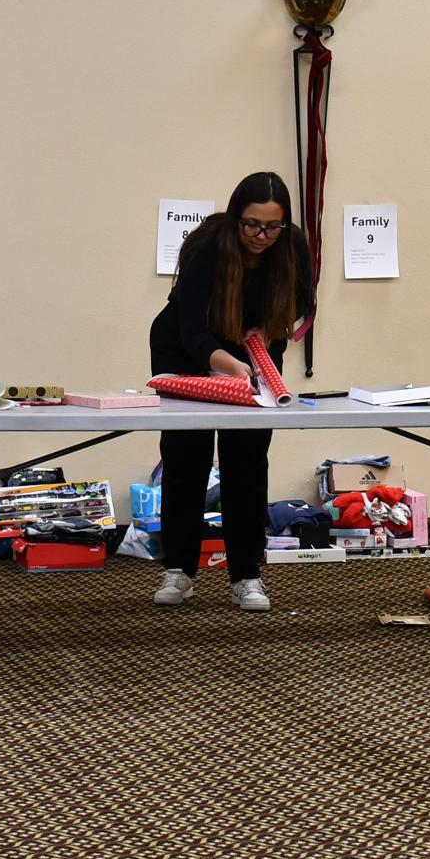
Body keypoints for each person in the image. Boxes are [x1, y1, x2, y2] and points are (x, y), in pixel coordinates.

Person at [148, 172, 312, 611]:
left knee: (247, 461)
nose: (261, 236)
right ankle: (179, 569)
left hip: (253, 351)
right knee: (186, 457)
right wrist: (233, 369)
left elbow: (302, 299)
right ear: (236, 216)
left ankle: (246, 575)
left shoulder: (291, 245)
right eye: (251, 224)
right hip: (186, 350)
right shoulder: (208, 247)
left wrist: (269, 335)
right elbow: (192, 331)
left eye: (272, 227)